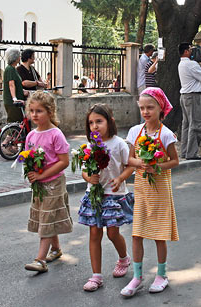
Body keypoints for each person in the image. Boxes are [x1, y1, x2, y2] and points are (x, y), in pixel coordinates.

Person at [121, 88, 179, 297]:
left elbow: (174, 160)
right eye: (142, 108)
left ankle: (161, 274)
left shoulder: (165, 134)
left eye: (150, 107)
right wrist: (142, 163)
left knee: (158, 234)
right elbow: (130, 159)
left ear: (160, 108)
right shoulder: (135, 131)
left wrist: (157, 167)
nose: (146, 112)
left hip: (160, 188)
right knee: (137, 233)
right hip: (142, 189)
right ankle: (137, 277)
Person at [78, 104, 134, 292]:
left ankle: (124, 258)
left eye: (99, 121)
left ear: (110, 122)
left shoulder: (119, 144)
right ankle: (96, 276)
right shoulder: (90, 146)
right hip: (94, 194)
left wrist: (120, 178)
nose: (95, 126)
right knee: (94, 233)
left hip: (113, 194)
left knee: (112, 233)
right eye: (91, 123)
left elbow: (130, 166)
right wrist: (88, 178)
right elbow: (84, 170)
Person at [23, 91, 73, 273]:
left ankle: (40, 260)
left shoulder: (55, 134)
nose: (34, 115)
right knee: (47, 215)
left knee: (47, 218)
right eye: (32, 111)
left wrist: (43, 175)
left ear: (50, 112)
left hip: (53, 182)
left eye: (39, 111)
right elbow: (28, 156)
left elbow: (63, 161)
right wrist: (30, 170)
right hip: (39, 184)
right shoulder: (31, 135)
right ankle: (56, 249)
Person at [3, 47, 26, 122]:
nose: (20, 57)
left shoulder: (13, 69)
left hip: (17, 100)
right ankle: (9, 134)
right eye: (19, 55)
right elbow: (11, 84)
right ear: (15, 57)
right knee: (14, 122)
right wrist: (15, 99)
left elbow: (16, 85)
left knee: (18, 122)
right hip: (12, 102)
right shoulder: (10, 69)